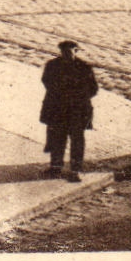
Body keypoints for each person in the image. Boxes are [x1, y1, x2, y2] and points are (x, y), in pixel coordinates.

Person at [39, 39, 98, 182]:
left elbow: (93, 88)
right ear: (60, 52)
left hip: (77, 111)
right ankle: (55, 166)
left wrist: (77, 98)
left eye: (70, 52)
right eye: (65, 52)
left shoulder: (84, 67)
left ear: (76, 51)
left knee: (77, 140)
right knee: (56, 138)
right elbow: (46, 81)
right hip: (58, 109)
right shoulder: (52, 66)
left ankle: (75, 170)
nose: (67, 55)